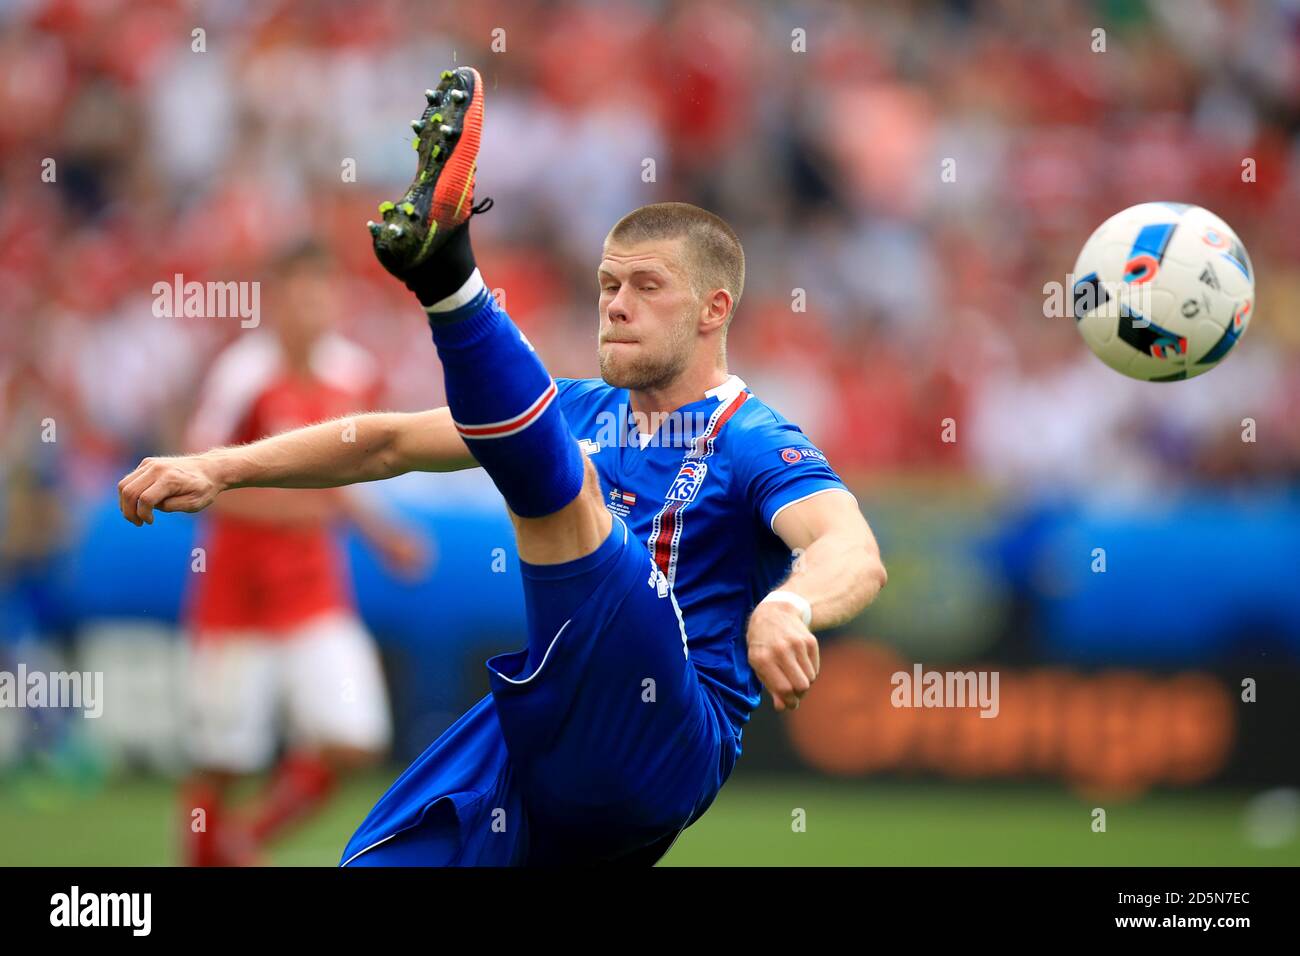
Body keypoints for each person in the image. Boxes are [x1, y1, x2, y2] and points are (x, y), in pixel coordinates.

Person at [117, 67, 887, 866]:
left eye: (646, 286)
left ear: (713, 309)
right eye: (607, 284)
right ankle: (450, 276)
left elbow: (850, 545)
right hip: (545, 729)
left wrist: (789, 608)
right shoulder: (581, 409)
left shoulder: (752, 436)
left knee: (565, 493)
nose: (616, 304)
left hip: (664, 734)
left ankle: (449, 275)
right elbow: (383, 443)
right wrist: (218, 468)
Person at [172, 242, 423, 865]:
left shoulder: (355, 374)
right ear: (276, 299)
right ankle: (208, 854)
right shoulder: (242, 374)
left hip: (313, 588)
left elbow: (349, 471)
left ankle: (244, 843)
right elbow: (197, 480)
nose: (312, 306)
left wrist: (379, 531)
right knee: (223, 758)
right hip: (237, 590)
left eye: (323, 291)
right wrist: (297, 510)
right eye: (299, 291)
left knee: (357, 738)